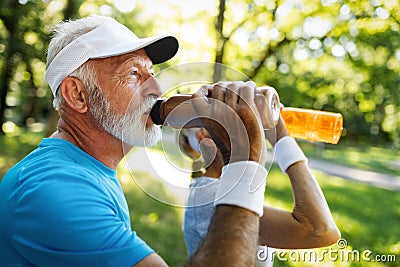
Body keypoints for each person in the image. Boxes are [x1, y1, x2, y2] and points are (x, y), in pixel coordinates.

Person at [0, 14, 340, 267]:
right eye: (134, 73)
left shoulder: (85, 170)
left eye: (152, 73)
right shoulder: (55, 189)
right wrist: (246, 153)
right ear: (77, 94)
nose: (158, 90)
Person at [181, 118, 341, 266]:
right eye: (231, 120)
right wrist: (282, 140)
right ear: (204, 136)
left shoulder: (217, 190)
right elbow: (321, 230)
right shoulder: (212, 196)